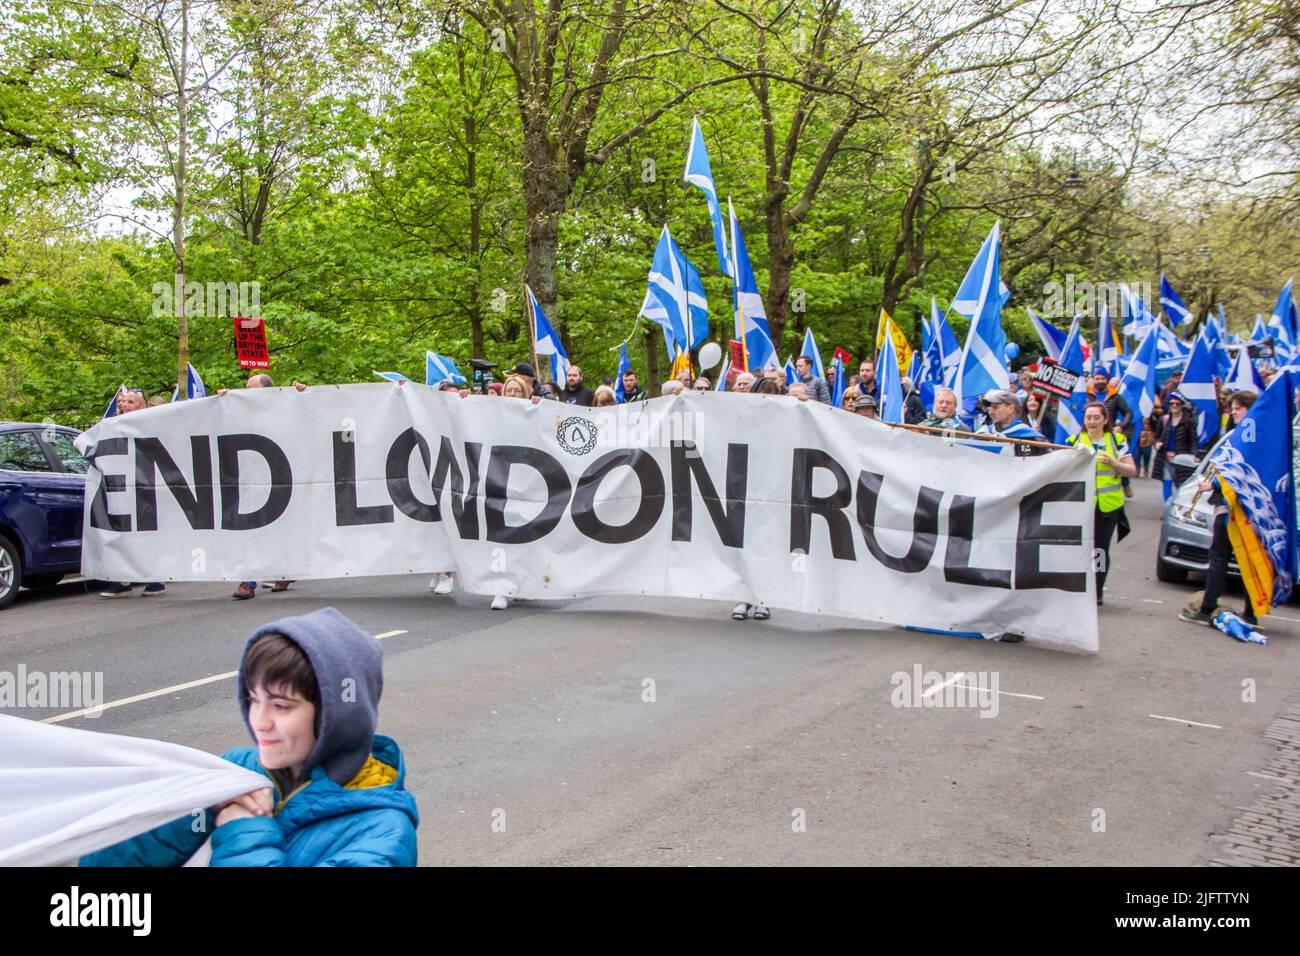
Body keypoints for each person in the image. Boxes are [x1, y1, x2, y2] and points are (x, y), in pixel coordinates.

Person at [80, 608, 419, 866]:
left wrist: (244, 829)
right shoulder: (234, 772)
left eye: (281, 706)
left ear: (336, 715)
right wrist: (197, 812)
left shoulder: (384, 832)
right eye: (254, 699)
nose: (260, 721)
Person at [221, 373, 306, 600]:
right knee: (251, 526)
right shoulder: (242, 411)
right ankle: (248, 580)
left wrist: (304, 396)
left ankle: (286, 569)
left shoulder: (285, 408)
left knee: (280, 526)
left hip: (282, 477)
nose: (246, 394)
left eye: (251, 390)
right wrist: (224, 401)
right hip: (251, 478)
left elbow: (310, 416)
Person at [1180, 392, 1260, 627]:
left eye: (1237, 408)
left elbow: (1240, 468)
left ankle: (1207, 608)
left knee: (1219, 557)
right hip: (1242, 506)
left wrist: (1213, 483)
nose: (1232, 412)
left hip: (1234, 506)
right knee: (1243, 559)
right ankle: (1251, 612)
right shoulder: (1252, 432)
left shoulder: (1247, 431)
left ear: (1249, 409)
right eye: (1232, 408)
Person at [99, 389, 168, 599]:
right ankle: (122, 580)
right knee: (122, 531)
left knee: (147, 531)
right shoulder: (113, 426)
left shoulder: (151, 424)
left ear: (142, 406)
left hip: (146, 484)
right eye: (122, 401)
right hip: (122, 486)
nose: (124, 405)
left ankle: (155, 578)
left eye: (130, 401)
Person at [1068, 402, 1137, 605]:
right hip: (1082, 505)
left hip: (1108, 506)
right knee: (1079, 548)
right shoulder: (1074, 441)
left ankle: (1096, 590)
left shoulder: (1116, 440)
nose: (1092, 421)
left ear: (1105, 419)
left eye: (1096, 417)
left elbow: (1132, 471)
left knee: (1099, 550)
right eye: (1088, 417)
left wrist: (1115, 463)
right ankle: (1078, 586)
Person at [976, 389, 1044, 456]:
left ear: (1010, 409)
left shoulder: (1031, 437)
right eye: (989, 409)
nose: (991, 412)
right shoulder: (983, 433)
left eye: (995, 407)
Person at [1156, 392, 1196, 500]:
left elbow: (1193, 440)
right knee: (1167, 482)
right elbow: (1157, 436)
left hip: (1182, 458)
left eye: (1177, 404)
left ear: (1182, 405)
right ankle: (1167, 506)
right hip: (1166, 457)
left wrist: (1194, 455)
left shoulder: (1189, 421)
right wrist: (1157, 443)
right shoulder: (1164, 420)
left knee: (1180, 484)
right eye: (1172, 403)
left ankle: (1177, 505)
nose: (1174, 406)